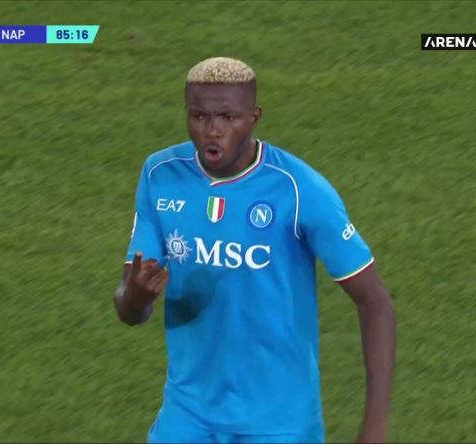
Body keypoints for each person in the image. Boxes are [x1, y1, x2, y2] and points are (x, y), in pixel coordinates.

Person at [114, 57, 396, 444]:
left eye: (228, 117)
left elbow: (374, 300)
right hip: (187, 416)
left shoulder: (298, 189)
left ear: (254, 117)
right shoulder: (160, 175)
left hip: (280, 425)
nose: (212, 130)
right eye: (199, 116)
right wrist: (135, 297)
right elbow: (129, 309)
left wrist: (375, 428)